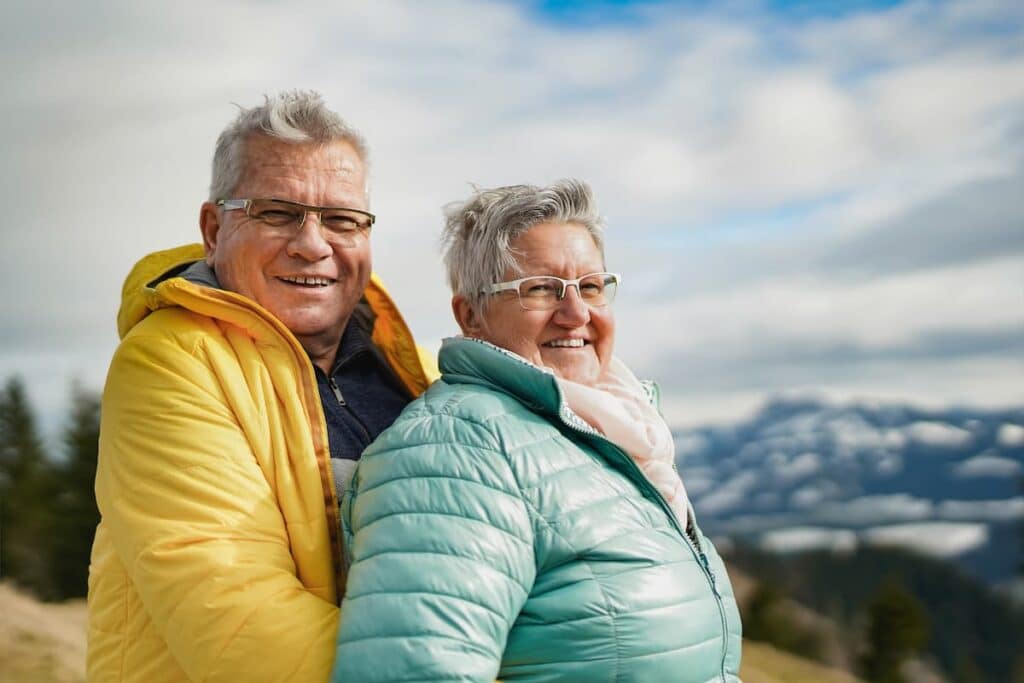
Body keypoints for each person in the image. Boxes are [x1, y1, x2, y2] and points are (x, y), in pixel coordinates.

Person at [87, 90, 437, 682]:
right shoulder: (170, 361)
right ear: (212, 227)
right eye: (276, 212)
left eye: (342, 219)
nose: (313, 244)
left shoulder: (419, 373)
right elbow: (238, 614)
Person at [331, 179, 743, 682]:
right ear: (471, 316)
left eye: (590, 286)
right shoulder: (456, 450)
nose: (576, 315)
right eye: (542, 289)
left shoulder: (613, 431)